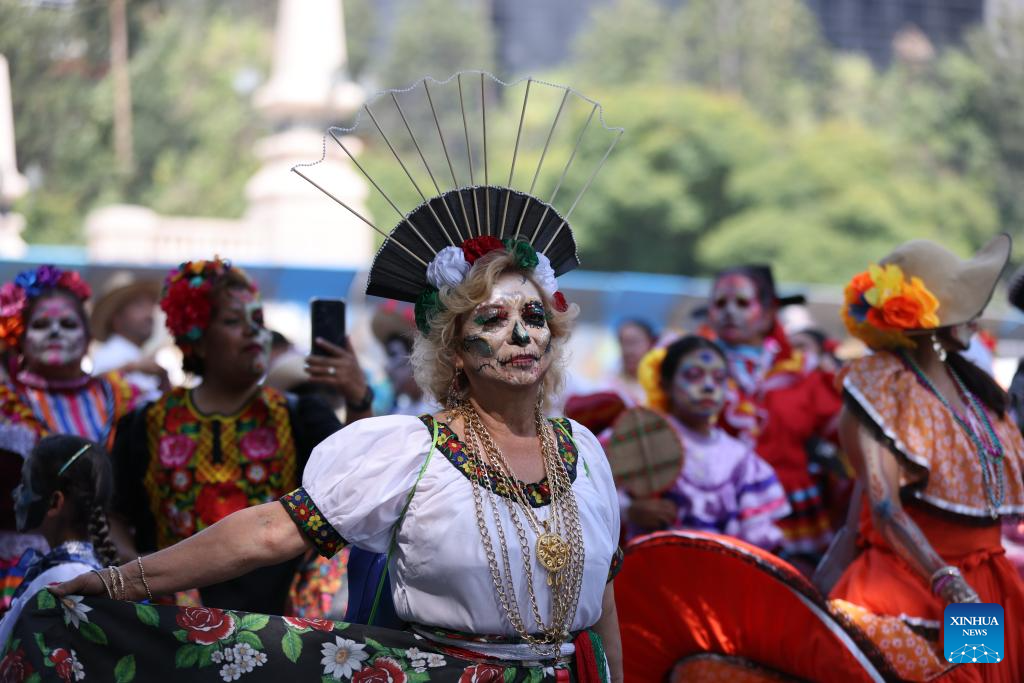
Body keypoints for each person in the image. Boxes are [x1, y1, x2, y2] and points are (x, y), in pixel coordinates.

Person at [52, 237, 624, 680]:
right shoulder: (412, 451)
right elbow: (270, 532)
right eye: (493, 319)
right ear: (453, 351)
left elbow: (601, 601)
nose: (521, 335)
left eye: (534, 316)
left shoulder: (584, 451)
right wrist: (121, 582)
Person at [108, 258, 368, 615]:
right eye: (233, 321)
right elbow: (114, 515)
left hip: (279, 625)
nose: (253, 332)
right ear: (196, 338)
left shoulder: (299, 415)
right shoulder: (146, 423)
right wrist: (134, 572)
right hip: (173, 624)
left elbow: (356, 482)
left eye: (258, 320)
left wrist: (357, 398)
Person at [828, 235, 1024, 682]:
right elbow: (885, 510)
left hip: (982, 585)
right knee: (951, 676)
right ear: (929, 323)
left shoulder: (975, 388)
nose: (977, 316)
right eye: (964, 305)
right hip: (916, 585)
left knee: (979, 675)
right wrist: (948, 582)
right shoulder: (882, 387)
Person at [705, 264, 843, 565]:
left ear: (768, 313)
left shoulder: (803, 373)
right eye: (720, 303)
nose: (729, 312)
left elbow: (847, 438)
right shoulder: (693, 373)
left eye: (742, 303)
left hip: (791, 514)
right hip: (716, 508)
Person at [624, 335, 790, 549]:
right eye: (694, 376)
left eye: (719, 378)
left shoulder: (739, 458)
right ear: (665, 384)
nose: (709, 386)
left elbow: (756, 540)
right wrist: (628, 510)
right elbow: (594, 496)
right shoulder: (640, 439)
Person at [0, 265, 141, 450]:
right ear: (21, 339)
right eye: (41, 324)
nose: (55, 331)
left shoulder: (119, 396)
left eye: (68, 324)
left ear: (88, 338)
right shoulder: (6, 403)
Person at [0, 435, 117, 648]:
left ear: (55, 502)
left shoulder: (62, 580)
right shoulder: (74, 571)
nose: (16, 494)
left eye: (25, 485)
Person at [89, 271, 167, 402]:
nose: (149, 314)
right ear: (116, 319)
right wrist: (132, 368)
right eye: (139, 305)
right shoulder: (110, 355)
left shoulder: (133, 355)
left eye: (150, 305)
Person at [371, 300, 435, 416]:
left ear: (417, 356)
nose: (388, 368)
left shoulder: (440, 410)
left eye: (393, 354)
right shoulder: (402, 413)